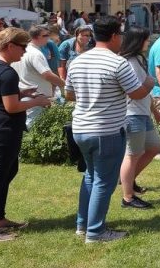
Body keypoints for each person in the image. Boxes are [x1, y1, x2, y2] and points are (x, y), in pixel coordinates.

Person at [65, 15, 154, 243]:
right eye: (121, 35)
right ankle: (96, 232)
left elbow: (69, 95)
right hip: (106, 130)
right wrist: (149, 84)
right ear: (115, 36)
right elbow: (136, 94)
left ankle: (82, 225)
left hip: (81, 129)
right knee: (104, 182)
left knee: (90, 177)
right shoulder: (117, 63)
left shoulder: (78, 61)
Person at [0, 28, 51, 243]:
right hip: (2, 130)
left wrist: (22, 93)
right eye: (22, 47)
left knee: (9, 170)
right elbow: (11, 107)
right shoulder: (7, 72)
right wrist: (38, 101)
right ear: (10, 46)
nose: (25, 52)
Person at [118, 27, 160, 210]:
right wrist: (149, 83)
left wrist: (154, 110)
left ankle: (128, 180)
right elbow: (136, 91)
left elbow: (144, 91)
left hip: (142, 112)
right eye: (146, 39)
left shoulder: (137, 59)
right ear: (137, 41)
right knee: (133, 154)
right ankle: (128, 197)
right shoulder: (127, 62)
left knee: (154, 147)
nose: (148, 42)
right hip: (132, 114)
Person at [11, 25, 63, 127]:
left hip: (25, 97)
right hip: (36, 99)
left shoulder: (22, 51)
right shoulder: (35, 53)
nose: (48, 38)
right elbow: (47, 75)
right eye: (46, 35)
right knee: (33, 128)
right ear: (37, 37)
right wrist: (64, 84)